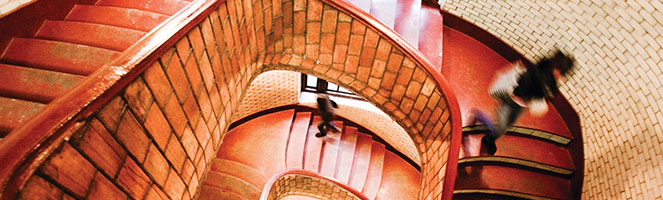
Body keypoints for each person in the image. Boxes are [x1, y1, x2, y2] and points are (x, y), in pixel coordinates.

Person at [473, 50, 575, 154]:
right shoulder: (536, 75)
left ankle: (490, 136)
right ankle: (482, 122)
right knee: (502, 126)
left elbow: (550, 94)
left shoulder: (550, 78)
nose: (560, 76)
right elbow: (521, 89)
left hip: (521, 105)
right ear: (556, 68)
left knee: (507, 125)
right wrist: (537, 98)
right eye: (560, 72)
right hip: (511, 100)